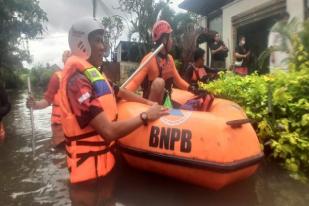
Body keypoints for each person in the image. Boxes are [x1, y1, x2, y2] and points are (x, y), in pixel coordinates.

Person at [60, 17, 168, 184]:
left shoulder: (94, 75)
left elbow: (119, 92)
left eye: (102, 41)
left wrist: (148, 103)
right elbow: (108, 132)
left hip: (105, 169)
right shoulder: (77, 82)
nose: (103, 47)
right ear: (81, 44)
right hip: (88, 183)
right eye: (97, 41)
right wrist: (145, 116)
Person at [125, 20, 193, 104]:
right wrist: (121, 94)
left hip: (166, 103)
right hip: (151, 106)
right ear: (164, 39)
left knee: (189, 109)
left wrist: (192, 89)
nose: (172, 41)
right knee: (159, 83)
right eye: (170, 37)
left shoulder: (170, 59)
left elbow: (178, 80)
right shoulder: (149, 59)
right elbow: (134, 82)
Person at [26, 50, 71, 148]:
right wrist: (34, 104)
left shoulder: (83, 76)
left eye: (70, 55)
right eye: (66, 56)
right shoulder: (57, 77)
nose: (68, 56)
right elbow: (47, 101)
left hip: (76, 126)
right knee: (59, 156)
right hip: (59, 126)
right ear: (63, 61)